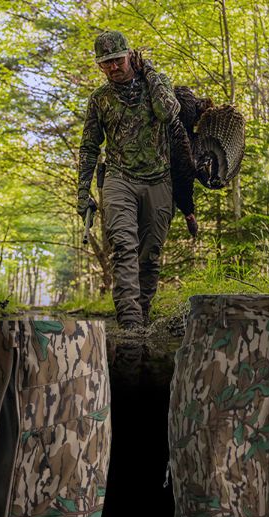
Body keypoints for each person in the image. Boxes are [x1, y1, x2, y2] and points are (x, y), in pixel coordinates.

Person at [77, 30, 181, 330]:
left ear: (130, 56)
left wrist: (148, 71)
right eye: (105, 63)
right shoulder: (100, 99)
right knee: (124, 247)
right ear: (99, 65)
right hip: (118, 179)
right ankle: (130, 323)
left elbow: (168, 112)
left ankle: (143, 316)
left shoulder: (156, 82)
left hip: (158, 180)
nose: (113, 67)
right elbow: (89, 147)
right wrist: (82, 192)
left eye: (118, 60)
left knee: (150, 255)